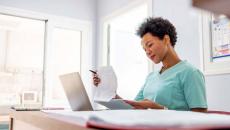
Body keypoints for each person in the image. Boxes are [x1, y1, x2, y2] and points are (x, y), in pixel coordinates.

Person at [93, 17, 207, 112]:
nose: (147, 52)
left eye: (150, 45)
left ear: (166, 39)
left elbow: (200, 117)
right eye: (144, 49)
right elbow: (133, 106)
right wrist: (107, 89)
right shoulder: (151, 77)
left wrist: (161, 109)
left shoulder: (190, 73)